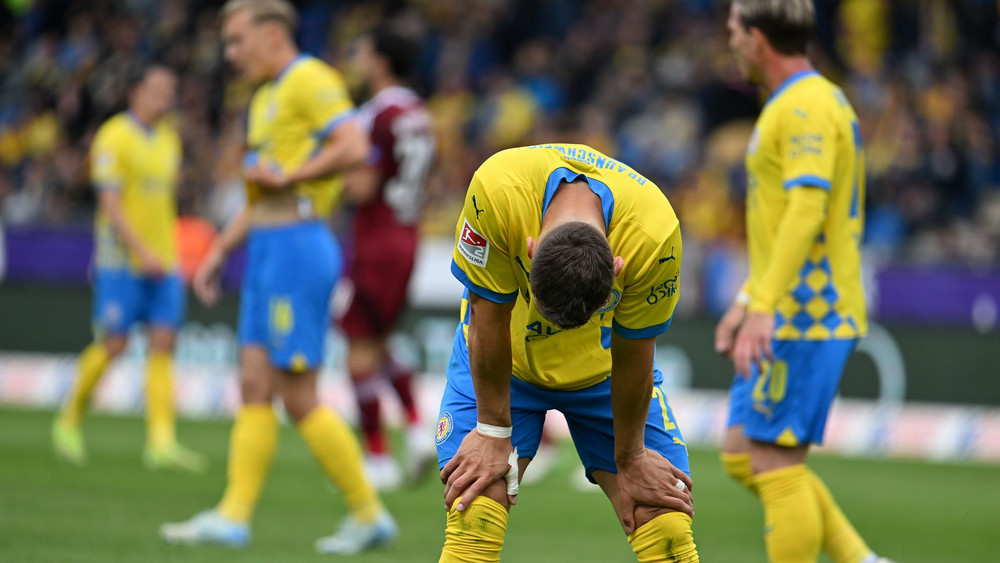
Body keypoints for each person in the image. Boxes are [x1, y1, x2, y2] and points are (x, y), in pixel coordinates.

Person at [159, 0, 395, 554]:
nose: (231, 54)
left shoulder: (309, 78)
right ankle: (233, 516)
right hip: (265, 247)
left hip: (298, 249)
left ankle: (369, 512)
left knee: (298, 395)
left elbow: (354, 147)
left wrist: (290, 175)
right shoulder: (264, 98)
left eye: (238, 41)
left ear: (272, 35)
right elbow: (262, 192)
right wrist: (220, 249)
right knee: (253, 384)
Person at [436, 143, 698, 562]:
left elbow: (635, 352)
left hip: (606, 370)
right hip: (506, 361)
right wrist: (491, 431)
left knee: (662, 517)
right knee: (476, 503)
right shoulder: (498, 190)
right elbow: (487, 314)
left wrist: (631, 457)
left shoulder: (654, 235)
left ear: (617, 268)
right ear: (531, 249)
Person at [716, 2, 891, 562]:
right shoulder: (795, 103)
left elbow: (806, 210)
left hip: (808, 312)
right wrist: (748, 298)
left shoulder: (809, 105)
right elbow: (776, 222)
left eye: (734, 31)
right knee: (744, 454)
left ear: (759, 37)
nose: (730, 41)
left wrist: (764, 304)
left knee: (773, 462)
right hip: (784, 306)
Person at [52, 63, 205, 473]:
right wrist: (142, 251)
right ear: (135, 92)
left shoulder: (170, 140)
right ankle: (69, 419)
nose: (165, 97)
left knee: (163, 343)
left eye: (170, 89)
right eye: (157, 88)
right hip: (121, 261)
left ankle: (161, 442)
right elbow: (111, 203)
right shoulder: (114, 136)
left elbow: (163, 203)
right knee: (114, 345)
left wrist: (165, 252)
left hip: (164, 260)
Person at [339, 25, 437, 490]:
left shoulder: (375, 114)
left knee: (358, 348)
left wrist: (323, 169)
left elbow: (361, 185)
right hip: (406, 236)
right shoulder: (419, 113)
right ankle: (418, 428)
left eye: (362, 49)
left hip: (375, 239)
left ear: (379, 61)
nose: (356, 59)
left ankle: (376, 458)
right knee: (378, 342)